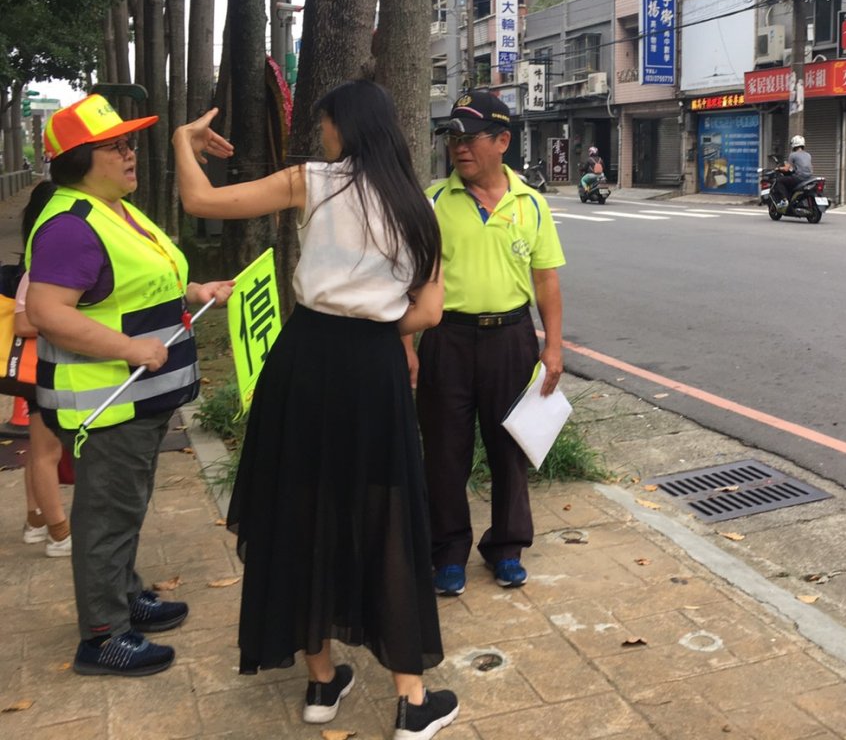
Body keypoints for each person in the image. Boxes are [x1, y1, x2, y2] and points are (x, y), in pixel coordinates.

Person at [172, 80, 459, 739]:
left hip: (304, 360)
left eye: (325, 125)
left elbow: (200, 200)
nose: (322, 136)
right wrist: (374, 330)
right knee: (387, 511)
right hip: (374, 369)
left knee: (299, 506)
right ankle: (412, 699)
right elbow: (429, 312)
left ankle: (322, 682)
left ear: (342, 127)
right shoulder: (419, 206)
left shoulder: (312, 182)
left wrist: (184, 141)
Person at [24, 96, 236, 677]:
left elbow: (144, 282)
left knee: (125, 507)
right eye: (114, 146)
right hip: (108, 404)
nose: (129, 153)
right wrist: (129, 348)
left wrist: (197, 291)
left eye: (129, 142)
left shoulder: (114, 210)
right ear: (79, 160)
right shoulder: (71, 225)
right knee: (106, 517)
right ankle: (103, 635)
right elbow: (46, 311)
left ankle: (123, 593)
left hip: (139, 399)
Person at [419, 89, 565, 597]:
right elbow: (414, 280)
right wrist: (407, 347)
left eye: (471, 137)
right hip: (447, 339)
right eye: (453, 138)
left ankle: (506, 547)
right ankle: (447, 552)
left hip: (512, 339)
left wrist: (553, 347)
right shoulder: (433, 202)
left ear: (502, 141)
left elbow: (546, 280)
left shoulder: (532, 204)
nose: (459, 147)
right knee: (445, 452)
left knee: (510, 449)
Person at [15, 180, 71, 558]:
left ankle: (36, 520)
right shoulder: (39, 266)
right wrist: (67, 320)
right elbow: (23, 322)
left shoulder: (44, 259)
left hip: (52, 370)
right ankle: (59, 533)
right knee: (46, 454)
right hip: (43, 372)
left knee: (40, 451)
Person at [774, 134, 812, 201]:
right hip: (809, 178)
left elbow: (786, 169)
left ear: (794, 144)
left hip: (799, 178)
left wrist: (778, 168)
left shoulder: (793, 155)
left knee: (779, 181)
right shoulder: (808, 155)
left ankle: (784, 200)